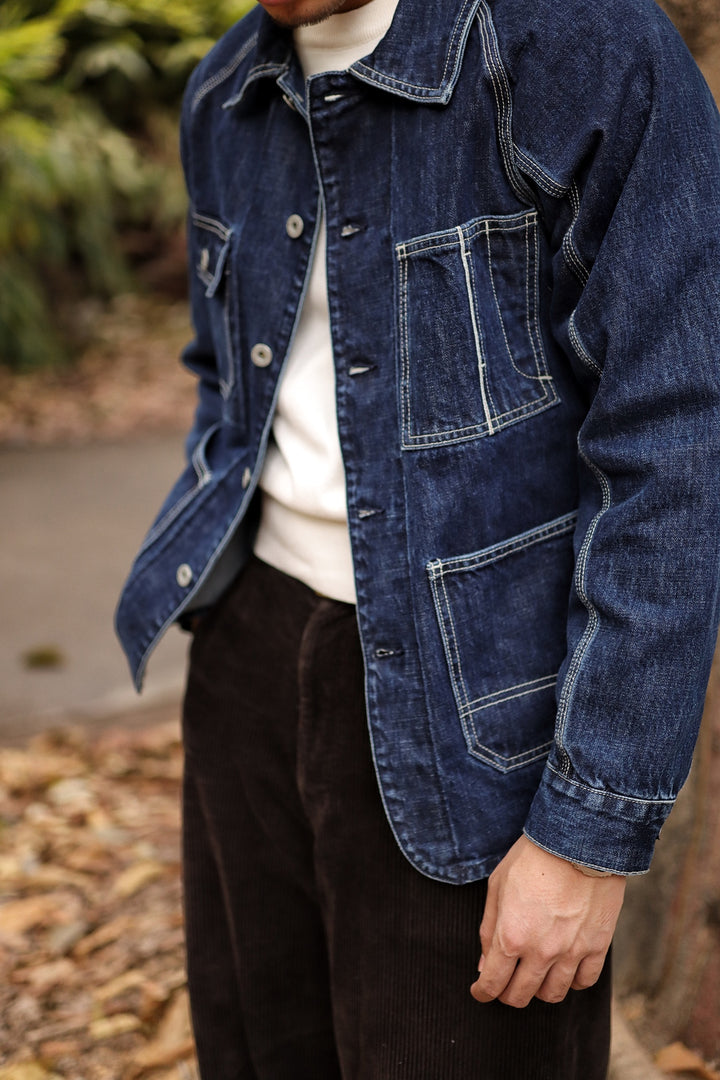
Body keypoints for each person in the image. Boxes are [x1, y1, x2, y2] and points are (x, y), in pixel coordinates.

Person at [115, 0, 720, 1075]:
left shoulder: (581, 51)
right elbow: (226, 380)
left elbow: (678, 442)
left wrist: (588, 830)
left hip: (481, 713)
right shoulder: (224, 93)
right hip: (248, 668)